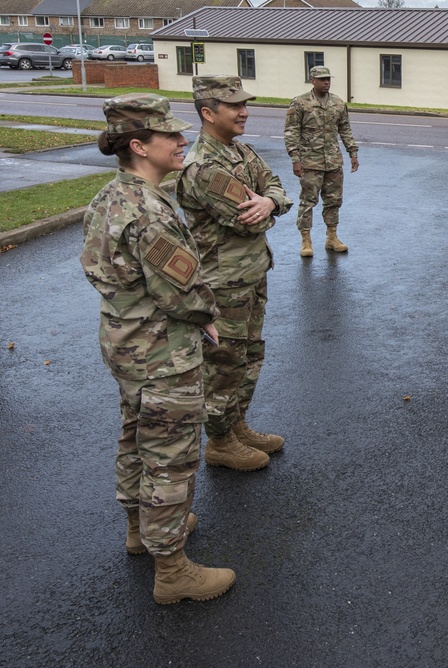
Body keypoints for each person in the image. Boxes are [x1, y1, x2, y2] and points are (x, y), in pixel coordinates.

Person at [80, 93, 235, 604]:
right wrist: (208, 316)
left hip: (125, 344)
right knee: (170, 456)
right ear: (140, 145)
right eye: (171, 135)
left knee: (135, 435)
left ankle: (138, 529)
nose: (182, 139)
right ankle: (172, 570)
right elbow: (182, 291)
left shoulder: (110, 197)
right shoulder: (148, 210)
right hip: (162, 353)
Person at [177, 75, 293, 472]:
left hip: (251, 272)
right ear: (208, 113)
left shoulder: (239, 151)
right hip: (224, 282)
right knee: (225, 363)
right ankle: (221, 441)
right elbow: (248, 223)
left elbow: (276, 186)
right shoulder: (205, 167)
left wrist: (270, 202)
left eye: (245, 104)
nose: (245, 111)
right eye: (234, 106)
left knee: (249, 355)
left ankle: (237, 424)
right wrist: (269, 207)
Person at [284, 65, 359, 257]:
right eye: (322, 79)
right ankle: (306, 240)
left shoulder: (338, 103)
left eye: (328, 79)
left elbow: (345, 129)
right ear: (313, 81)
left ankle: (332, 237)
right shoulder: (300, 103)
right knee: (308, 201)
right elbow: (291, 132)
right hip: (310, 162)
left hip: (333, 161)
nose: (326, 82)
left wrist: (353, 152)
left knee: (334, 200)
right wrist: (295, 159)